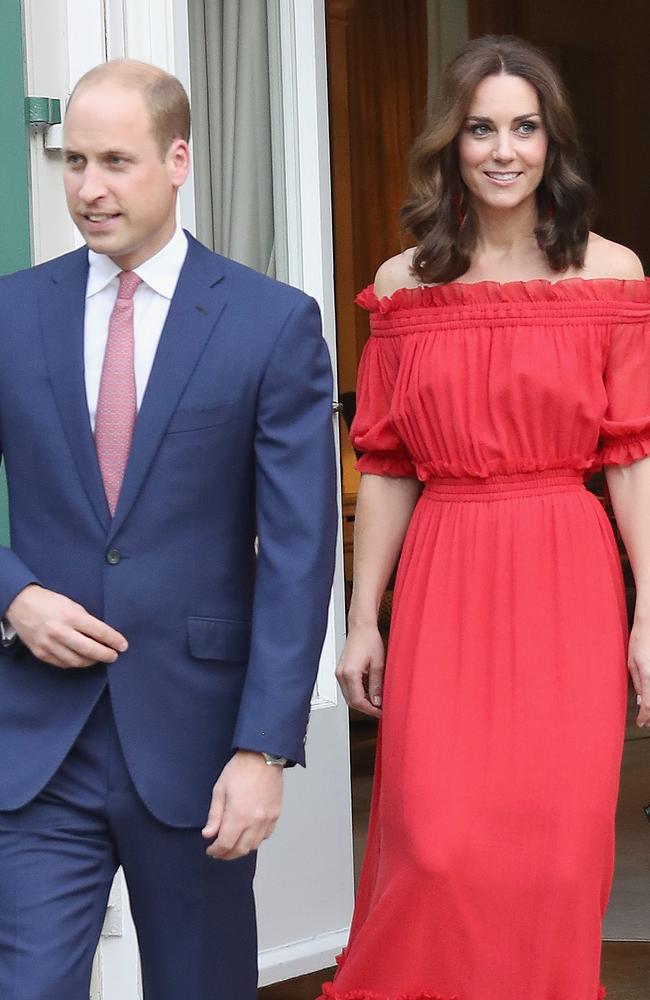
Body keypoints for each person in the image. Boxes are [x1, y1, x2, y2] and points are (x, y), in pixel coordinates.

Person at [322, 34, 650, 1000]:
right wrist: (362, 618)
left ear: (553, 144)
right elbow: (383, 464)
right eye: (480, 129)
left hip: (567, 571)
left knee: (551, 862)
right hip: (447, 573)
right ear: (450, 145)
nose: (503, 150)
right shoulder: (401, 285)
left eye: (524, 127)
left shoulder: (611, 274)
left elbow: (631, 457)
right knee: (437, 848)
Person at [0, 59, 337, 1000]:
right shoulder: (9, 314)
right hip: (35, 750)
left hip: (200, 753)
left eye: (116, 160)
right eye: (74, 162)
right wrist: (13, 595)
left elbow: (300, 555)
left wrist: (264, 749)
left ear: (179, 158)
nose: (89, 188)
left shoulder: (271, 326)